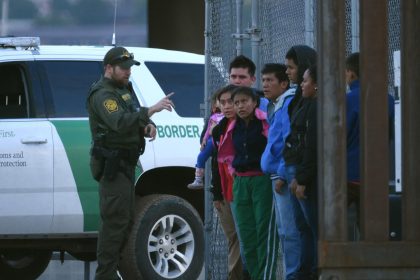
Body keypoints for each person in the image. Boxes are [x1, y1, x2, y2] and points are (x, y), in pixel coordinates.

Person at [87, 46, 174, 280]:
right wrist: (151, 111)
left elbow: (132, 116)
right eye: (123, 68)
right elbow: (118, 121)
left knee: (124, 221)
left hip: (126, 165)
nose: (128, 72)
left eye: (129, 68)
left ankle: (113, 272)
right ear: (108, 68)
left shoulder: (124, 89)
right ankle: (105, 276)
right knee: (114, 223)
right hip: (112, 168)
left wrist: (147, 126)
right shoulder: (103, 94)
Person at [230, 86, 278, 280]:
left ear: (255, 103)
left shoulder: (265, 123)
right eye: (237, 103)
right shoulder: (232, 126)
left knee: (263, 235)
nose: (240, 106)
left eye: (244, 101)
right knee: (247, 237)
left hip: (261, 181)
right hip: (240, 182)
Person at [278, 45, 317, 280]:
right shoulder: (298, 100)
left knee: (311, 227)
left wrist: (300, 177)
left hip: (302, 172)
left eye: (291, 67)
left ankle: (311, 271)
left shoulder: (313, 105)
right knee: (301, 227)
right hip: (293, 170)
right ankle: (304, 271)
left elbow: (310, 144)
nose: (288, 72)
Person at [345, 52, 395, 236]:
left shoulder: (346, 100)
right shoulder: (388, 99)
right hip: (378, 174)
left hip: (348, 173)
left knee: (343, 231)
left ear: (351, 73)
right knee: (373, 229)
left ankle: (346, 263)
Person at [259, 63, 297, 278]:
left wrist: (283, 173)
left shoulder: (288, 102)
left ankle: (294, 275)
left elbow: (288, 141)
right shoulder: (275, 104)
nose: (265, 85)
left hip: (282, 176)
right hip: (276, 175)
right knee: (284, 232)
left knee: (290, 232)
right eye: (263, 80)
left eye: (270, 80)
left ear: (283, 83)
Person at [210, 84, 244, 280]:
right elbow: (216, 162)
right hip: (224, 191)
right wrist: (216, 194)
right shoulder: (219, 129)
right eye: (222, 102)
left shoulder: (244, 125)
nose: (227, 106)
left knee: (242, 237)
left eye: (230, 101)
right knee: (232, 237)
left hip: (241, 188)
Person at [187, 91, 223, 189]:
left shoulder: (229, 117)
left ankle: (215, 181)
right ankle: (198, 179)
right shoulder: (214, 117)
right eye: (220, 101)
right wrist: (204, 140)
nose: (224, 103)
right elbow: (208, 130)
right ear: (215, 104)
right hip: (212, 141)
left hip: (223, 142)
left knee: (220, 163)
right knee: (201, 156)